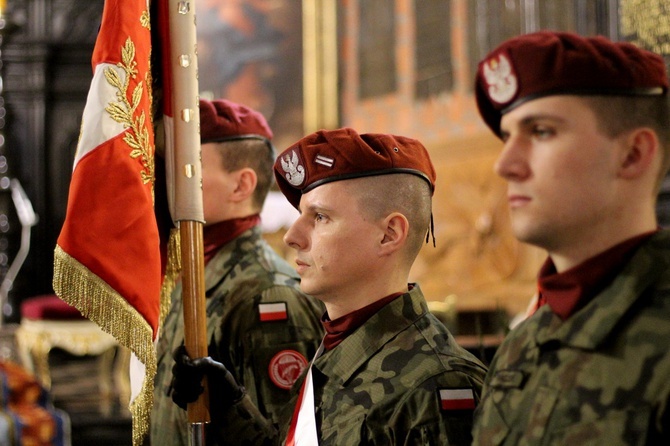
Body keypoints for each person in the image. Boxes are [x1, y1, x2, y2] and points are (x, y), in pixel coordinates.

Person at [169, 127, 488, 445]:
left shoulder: (436, 385)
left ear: (389, 234)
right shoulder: (334, 353)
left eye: (320, 217)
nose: (292, 237)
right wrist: (230, 407)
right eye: (301, 214)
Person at [471, 31, 670, 444]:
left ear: (632, 154)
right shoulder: (521, 345)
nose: (505, 165)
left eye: (541, 131)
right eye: (507, 137)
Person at [149, 98, 324, 445]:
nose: (169, 182)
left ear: (242, 185)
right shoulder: (196, 275)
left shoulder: (270, 296)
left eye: (188, 169)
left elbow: (286, 437)